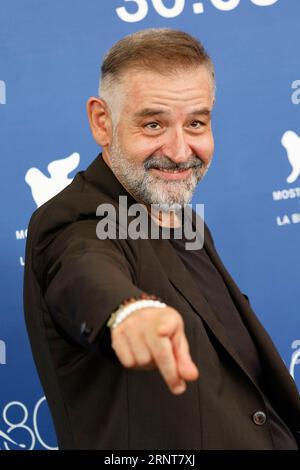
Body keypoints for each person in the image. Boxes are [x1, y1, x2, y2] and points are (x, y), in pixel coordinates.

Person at [23, 28, 300, 450]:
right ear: (103, 121)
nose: (179, 149)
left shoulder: (184, 221)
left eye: (196, 123)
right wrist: (128, 313)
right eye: (153, 124)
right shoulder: (73, 220)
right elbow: (84, 268)